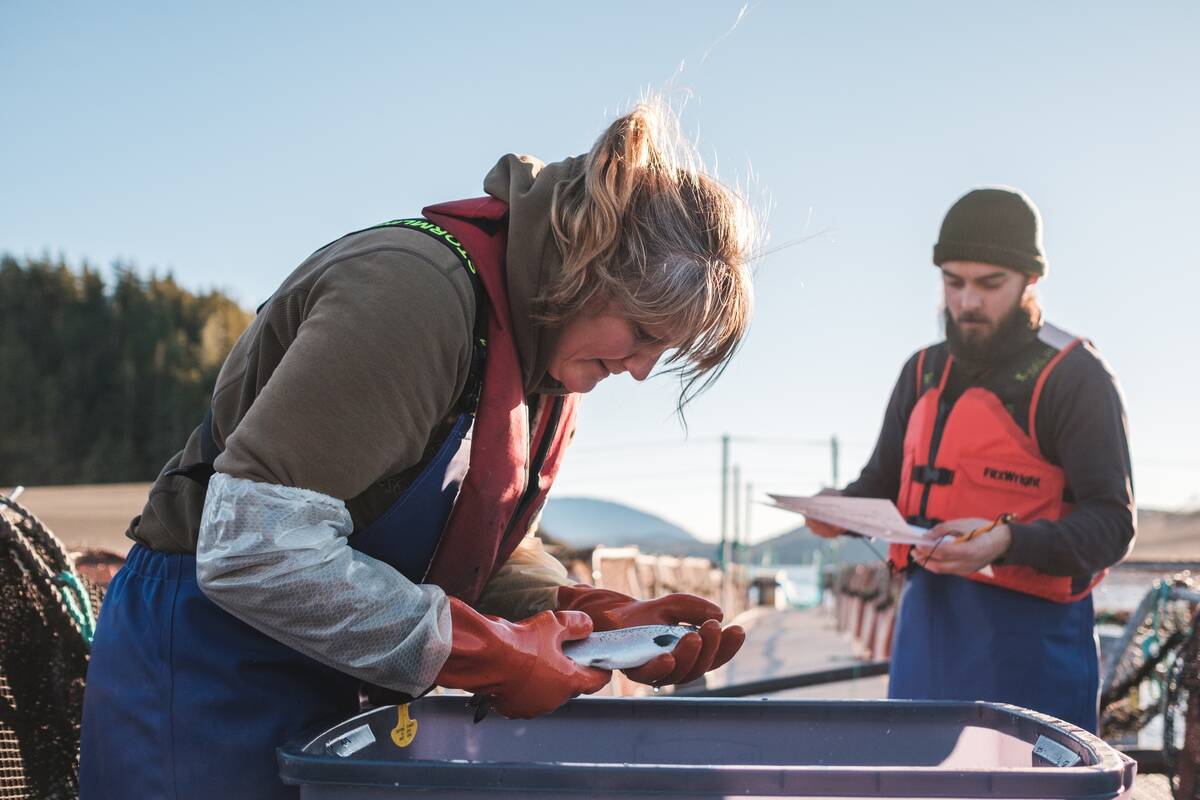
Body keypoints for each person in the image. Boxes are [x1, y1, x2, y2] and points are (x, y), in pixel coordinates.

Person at [80, 103, 752, 799]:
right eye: (639, 332)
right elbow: (253, 548)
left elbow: (463, 539)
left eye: (661, 353)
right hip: (204, 675)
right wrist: (485, 655)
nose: (640, 370)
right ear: (587, 265)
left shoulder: (546, 367)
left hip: (336, 685)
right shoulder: (413, 293)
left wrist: (579, 615)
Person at [809, 187, 1134, 732]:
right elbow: (880, 486)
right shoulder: (920, 372)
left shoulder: (1076, 378)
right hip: (926, 631)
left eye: (989, 284)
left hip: (1036, 645)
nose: (967, 303)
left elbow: (1112, 525)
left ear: (1032, 280)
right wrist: (835, 511)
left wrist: (1005, 541)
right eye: (953, 282)